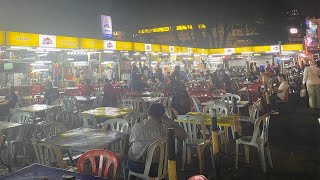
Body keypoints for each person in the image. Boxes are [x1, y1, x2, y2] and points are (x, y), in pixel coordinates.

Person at [126, 103, 187, 178]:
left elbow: (130, 143)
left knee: (130, 153)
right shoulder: (166, 130)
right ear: (162, 115)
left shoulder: (136, 127)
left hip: (136, 166)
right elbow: (184, 135)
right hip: (158, 168)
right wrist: (169, 121)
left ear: (148, 112)